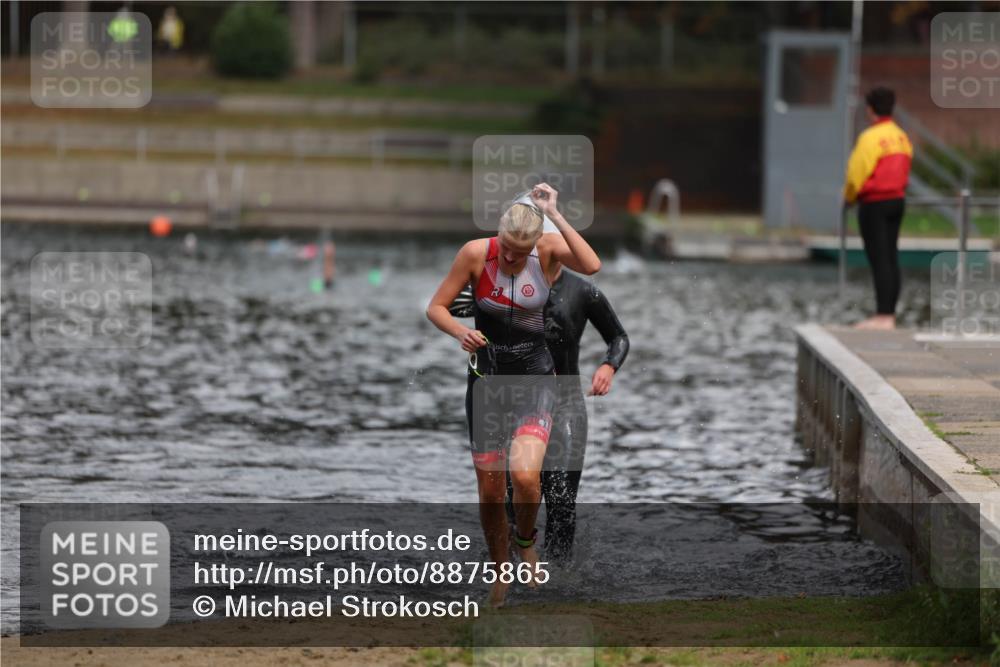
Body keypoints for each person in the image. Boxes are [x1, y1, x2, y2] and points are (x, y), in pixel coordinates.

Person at [426, 183, 600, 607]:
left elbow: (592, 264)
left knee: (524, 477)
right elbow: (437, 307)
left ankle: (525, 541)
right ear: (498, 235)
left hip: (536, 381)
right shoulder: (474, 253)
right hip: (486, 384)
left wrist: (555, 214)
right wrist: (461, 331)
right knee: (489, 490)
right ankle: (501, 569)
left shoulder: (548, 250)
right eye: (505, 248)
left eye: (518, 254)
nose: (508, 258)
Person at [450, 261, 629, 563]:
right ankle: (509, 571)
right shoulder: (505, 286)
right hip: (515, 403)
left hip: (565, 404)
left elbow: (618, 337)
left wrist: (609, 366)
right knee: (510, 497)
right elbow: (453, 307)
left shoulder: (583, 291)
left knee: (561, 499)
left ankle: (558, 575)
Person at [842, 86, 912, 330]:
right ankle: (889, 314)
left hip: (874, 203)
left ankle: (882, 317)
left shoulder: (870, 138)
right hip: (897, 201)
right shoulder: (902, 137)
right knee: (891, 257)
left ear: (870, 109)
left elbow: (855, 174)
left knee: (879, 258)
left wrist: (848, 197)